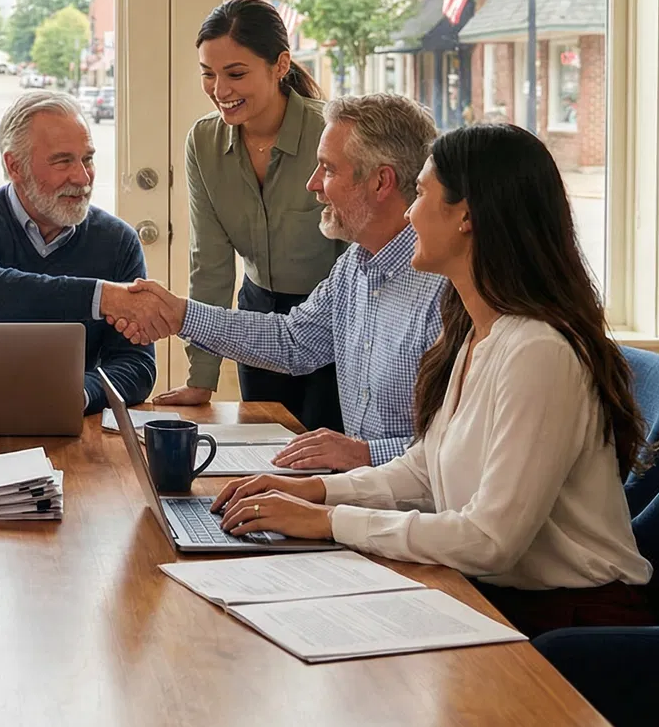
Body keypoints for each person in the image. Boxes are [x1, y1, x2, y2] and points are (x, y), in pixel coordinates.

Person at [211, 123, 654, 637]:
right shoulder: (475, 331)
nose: (409, 213)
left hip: (571, 627)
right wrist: (313, 492)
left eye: (420, 194)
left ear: (467, 217)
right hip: (495, 593)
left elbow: (489, 540)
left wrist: (328, 521)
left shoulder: (538, 351)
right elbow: (424, 473)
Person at [115, 93, 446, 471]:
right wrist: (180, 315)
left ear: (381, 182)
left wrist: (363, 454)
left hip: (409, 501)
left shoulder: (445, 292)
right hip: (363, 491)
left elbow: (461, 451)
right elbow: (293, 341)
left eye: (328, 169)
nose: (312, 184)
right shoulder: (354, 266)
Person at [171, 0, 345, 426]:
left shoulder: (331, 134)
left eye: (235, 74)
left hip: (335, 322)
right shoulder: (204, 143)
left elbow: (359, 255)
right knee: (264, 445)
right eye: (208, 74)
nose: (219, 90)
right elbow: (209, 264)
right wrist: (202, 377)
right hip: (257, 321)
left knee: (320, 450)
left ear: (280, 65)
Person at [0, 90, 157, 412]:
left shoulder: (117, 241)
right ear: (15, 166)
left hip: (64, 416)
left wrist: (77, 393)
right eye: (63, 161)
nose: (83, 177)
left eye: (88, 159)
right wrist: (103, 298)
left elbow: (137, 365)